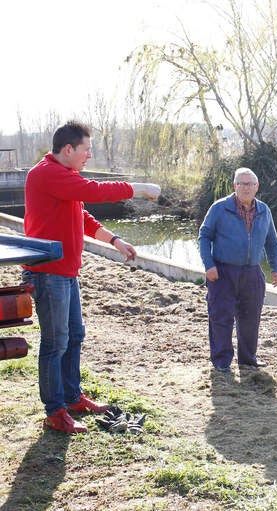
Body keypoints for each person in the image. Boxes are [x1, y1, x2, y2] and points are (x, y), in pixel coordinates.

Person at [23, 120, 161, 434]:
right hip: (48, 273)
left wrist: (114, 240)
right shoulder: (46, 174)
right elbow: (94, 192)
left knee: (74, 336)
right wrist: (139, 188)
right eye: (86, 149)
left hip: (66, 272)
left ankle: (72, 398)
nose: (89, 155)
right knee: (55, 343)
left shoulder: (65, 177)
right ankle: (54, 411)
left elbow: (82, 215)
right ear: (68, 149)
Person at [198, 167, 277, 374]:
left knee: (250, 318)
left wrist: (276, 267)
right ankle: (221, 361)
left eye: (250, 184)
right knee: (221, 317)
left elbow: (272, 242)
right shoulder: (220, 208)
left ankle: (248, 360)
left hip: (252, 273)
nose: (246, 187)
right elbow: (204, 236)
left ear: (257, 187)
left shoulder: (264, 210)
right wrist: (209, 265)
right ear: (234, 186)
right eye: (242, 184)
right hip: (223, 272)